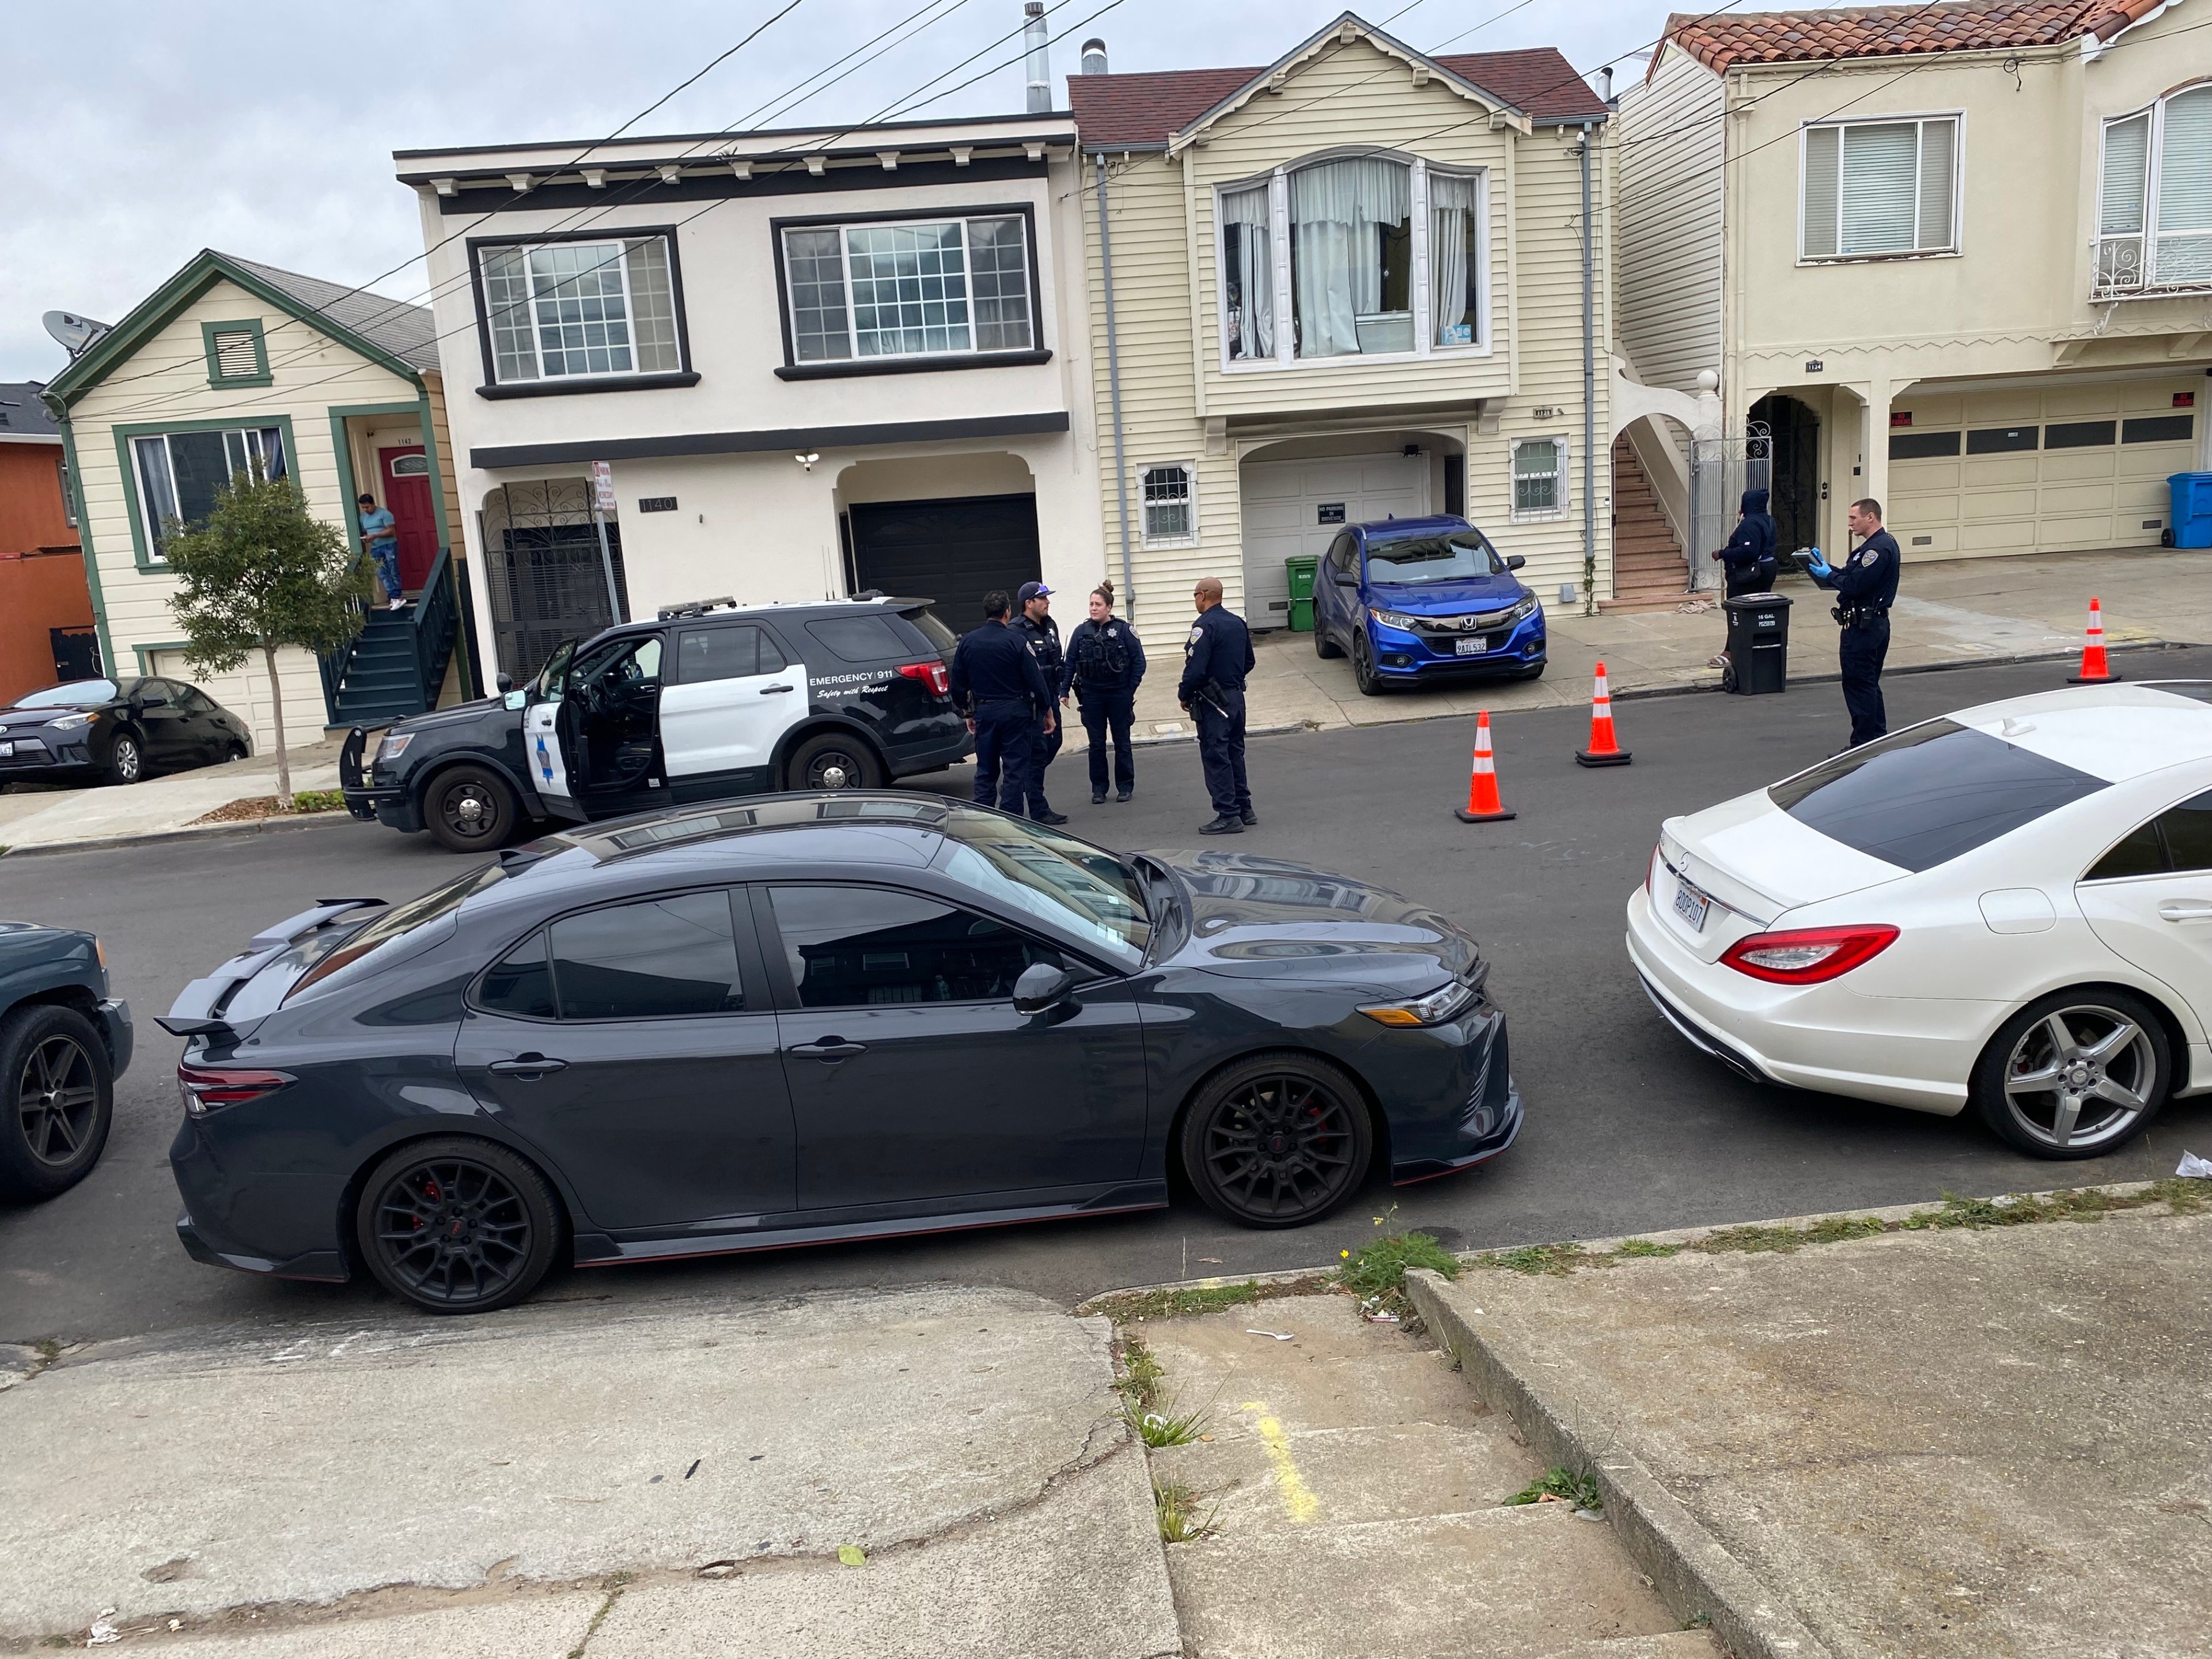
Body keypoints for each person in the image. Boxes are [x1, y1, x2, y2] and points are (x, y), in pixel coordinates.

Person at [949, 590, 1054, 816]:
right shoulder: (1016, 642)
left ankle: (985, 818)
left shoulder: (968, 642)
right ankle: (1010, 820)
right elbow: (1036, 681)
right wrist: (1046, 710)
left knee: (985, 770)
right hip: (1016, 714)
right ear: (1007, 612)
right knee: (1014, 771)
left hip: (985, 712)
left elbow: (957, 684)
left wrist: (967, 712)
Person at [1805, 497, 1900, 748]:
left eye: (1853, 518)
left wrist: (1830, 576)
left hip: (1864, 626)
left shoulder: (1877, 550)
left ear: (1870, 517)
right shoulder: (1875, 546)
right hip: (1870, 624)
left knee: (1859, 686)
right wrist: (1826, 568)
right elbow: (1851, 575)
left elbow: (1856, 585)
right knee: (1868, 684)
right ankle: (1877, 739)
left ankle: (1863, 743)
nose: (1850, 523)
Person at [1179, 575, 1256, 835]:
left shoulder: (1204, 627)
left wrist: (1184, 694)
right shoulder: (1238, 623)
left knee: (1216, 755)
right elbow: (1249, 662)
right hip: (1236, 698)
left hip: (1213, 702)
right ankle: (1245, 808)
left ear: (1202, 595)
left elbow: (1195, 669)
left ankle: (1228, 814)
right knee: (1235, 752)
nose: (1195, 601)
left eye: (1194, 596)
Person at [1060, 580, 1146, 804]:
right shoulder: (1081, 631)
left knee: (1122, 742)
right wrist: (1064, 691)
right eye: (1091, 604)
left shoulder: (1124, 630)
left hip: (1119, 694)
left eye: (1098, 604)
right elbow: (1070, 663)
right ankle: (1099, 789)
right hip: (1092, 696)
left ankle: (1125, 786)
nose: (1093, 608)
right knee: (1096, 744)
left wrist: (1130, 690)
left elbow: (1139, 662)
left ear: (1108, 608)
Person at [1008, 581, 1068, 825]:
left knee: (1054, 743)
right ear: (1029, 603)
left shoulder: (1049, 624)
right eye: (1042, 598)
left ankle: (1020, 783)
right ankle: (1038, 808)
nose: (1047, 602)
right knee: (1036, 752)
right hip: (1032, 702)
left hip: (1050, 696)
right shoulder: (1016, 631)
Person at [1706, 488, 1777, 670]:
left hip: (1749, 575)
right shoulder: (1768, 520)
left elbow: (1748, 551)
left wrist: (1722, 553)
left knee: (1737, 613)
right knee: (1756, 612)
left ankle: (1730, 652)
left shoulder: (1750, 524)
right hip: (1767, 569)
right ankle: (1753, 647)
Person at [357, 493, 404, 611]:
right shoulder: (363, 518)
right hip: (375, 547)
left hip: (389, 545)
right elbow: (365, 532)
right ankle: (392, 596)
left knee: (393, 569)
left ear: (373, 504)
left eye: (367, 507)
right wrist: (367, 538)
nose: (365, 510)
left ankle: (396, 597)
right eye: (363, 507)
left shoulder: (385, 514)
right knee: (380, 572)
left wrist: (375, 535)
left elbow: (391, 531)